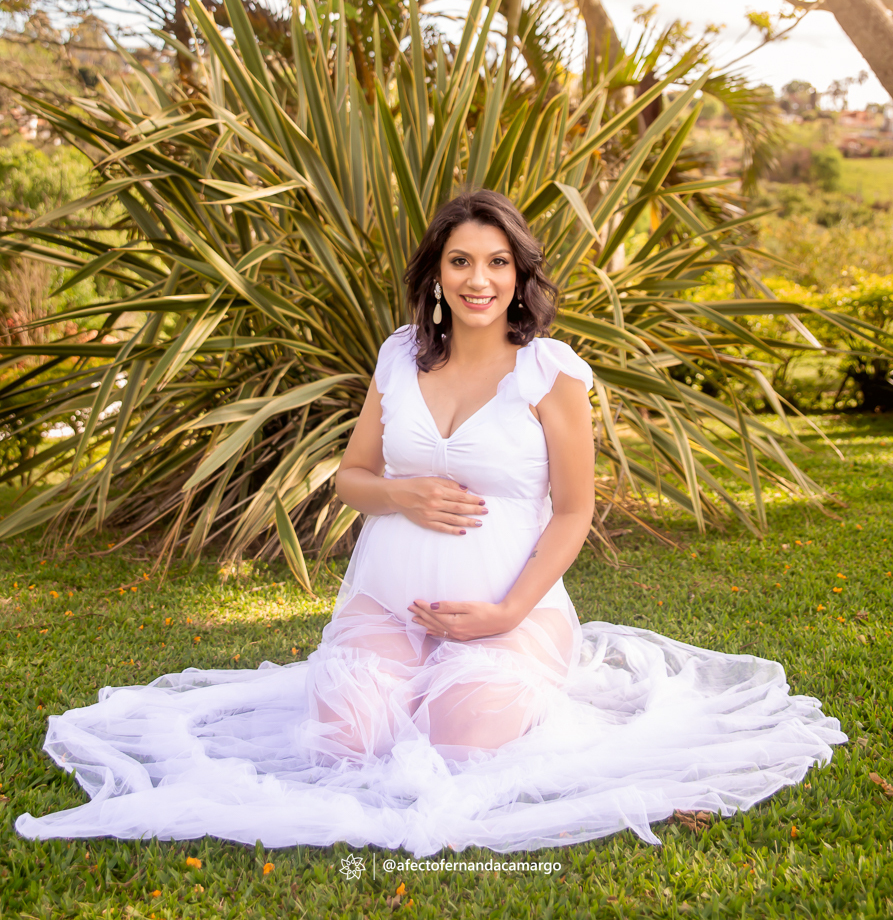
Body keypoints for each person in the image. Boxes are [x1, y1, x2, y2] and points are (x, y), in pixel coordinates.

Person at [16, 190, 845, 855]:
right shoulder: (399, 355)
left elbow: (574, 510)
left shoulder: (549, 375)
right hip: (388, 601)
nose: (478, 279)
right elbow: (350, 478)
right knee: (343, 742)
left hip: (507, 613)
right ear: (438, 272)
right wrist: (402, 495)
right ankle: (399, 682)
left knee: (463, 742)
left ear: (520, 274)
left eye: (496, 262)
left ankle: (490, 673)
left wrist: (505, 614)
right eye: (460, 261)